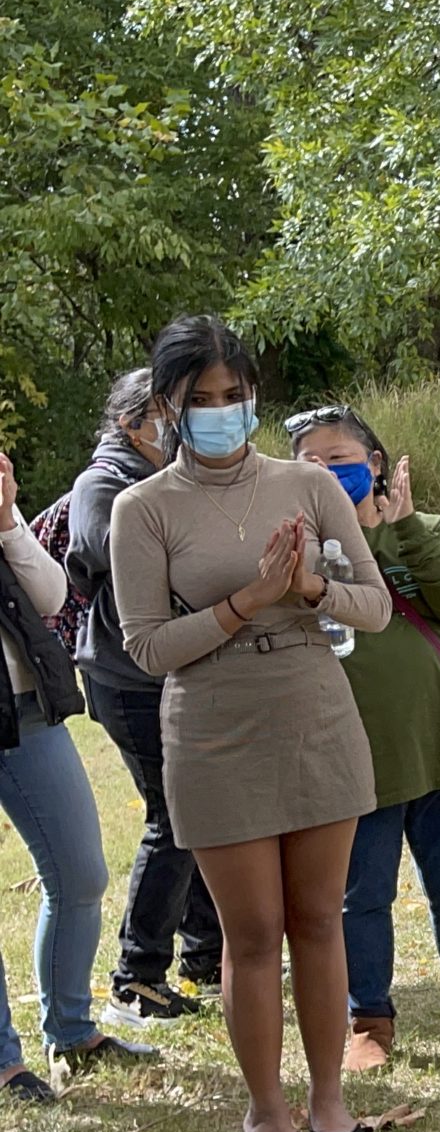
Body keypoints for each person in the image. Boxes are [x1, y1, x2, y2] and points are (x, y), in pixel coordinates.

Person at [109, 316, 393, 1132]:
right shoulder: (141, 509)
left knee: (318, 919)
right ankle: (267, 1110)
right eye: (202, 400)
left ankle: (330, 1097)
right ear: (167, 407)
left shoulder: (309, 487)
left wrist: (308, 588)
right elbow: (148, 647)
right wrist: (244, 602)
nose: (223, 412)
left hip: (315, 710)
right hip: (212, 728)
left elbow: (373, 607)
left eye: (235, 396)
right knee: (253, 930)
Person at [289, 406, 440, 1066]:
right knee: (361, 899)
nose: (328, 472)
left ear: (376, 464)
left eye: (341, 459)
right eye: (311, 463)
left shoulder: (426, 532)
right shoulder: (297, 554)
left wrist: (407, 527)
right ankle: (370, 1024)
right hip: (352, 762)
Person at [67, 368, 227, 1028]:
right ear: (134, 421)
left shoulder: (167, 478)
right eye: (173, 413)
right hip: (126, 680)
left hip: (172, 673)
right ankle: (136, 978)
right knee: (176, 817)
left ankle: (206, 958)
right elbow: (107, 554)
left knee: (200, 812)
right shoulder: (104, 483)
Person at [2, 442, 159, 1105]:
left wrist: (8, 519)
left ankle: (69, 1029)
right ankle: (5, 1066)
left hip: (25, 709)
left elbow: (51, 593)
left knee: (80, 873)